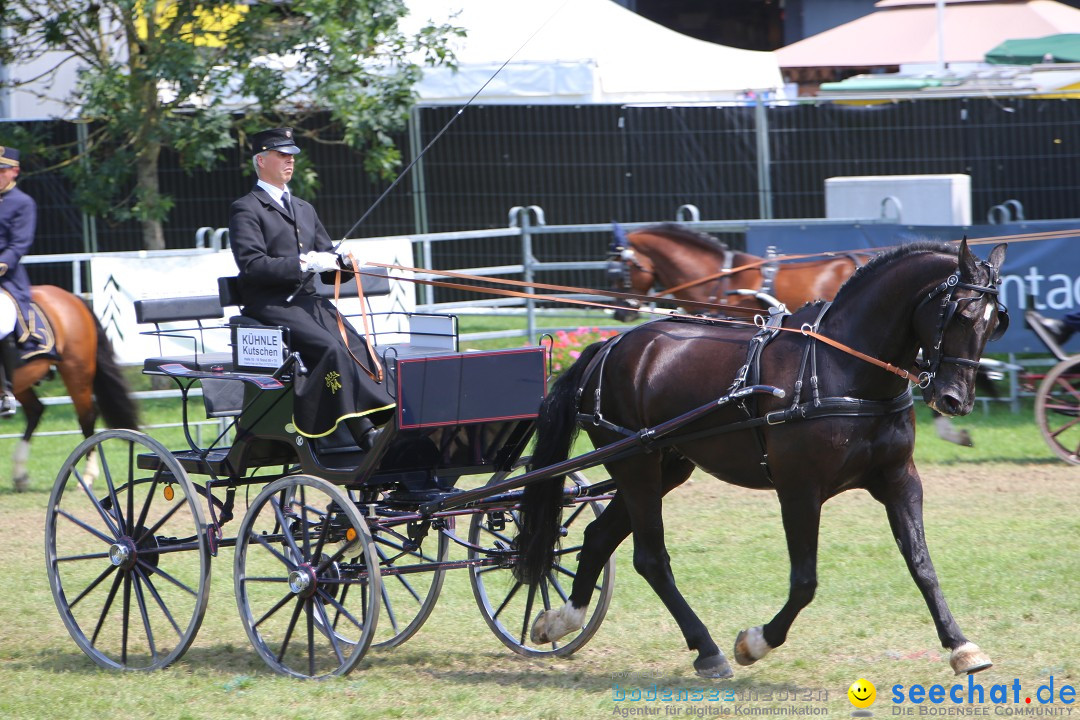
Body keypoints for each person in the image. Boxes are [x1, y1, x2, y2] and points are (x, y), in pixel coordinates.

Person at [229, 127, 393, 449]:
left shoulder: (304, 208)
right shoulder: (246, 208)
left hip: (308, 302)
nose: (290, 161)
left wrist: (340, 264)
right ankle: (359, 432)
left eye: (292, 156)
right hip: (271, 305)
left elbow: (327, 266)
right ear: (261, 160)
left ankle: (386, 417)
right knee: (330, 349)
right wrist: (303, 263)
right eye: (282, 155)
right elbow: (252, 265)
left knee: (358, 346)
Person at [0, 147, 35, 418]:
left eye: (1, 171)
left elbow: (19, 243)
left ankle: (6, 392)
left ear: (15, 171)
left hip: (6, 279)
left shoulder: (22, 202)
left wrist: (2, 263)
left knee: (0, 324)